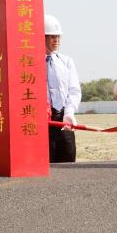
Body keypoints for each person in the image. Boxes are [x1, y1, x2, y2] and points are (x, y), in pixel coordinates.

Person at [44, 15, 81, 163]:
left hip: (63, 119)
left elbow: (74, 90)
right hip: (43, 120)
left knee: (68, 159)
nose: (56, 41)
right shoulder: (29, 63)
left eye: (58, 37)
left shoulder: (66, 62)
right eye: (51, 36)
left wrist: (69, 112)